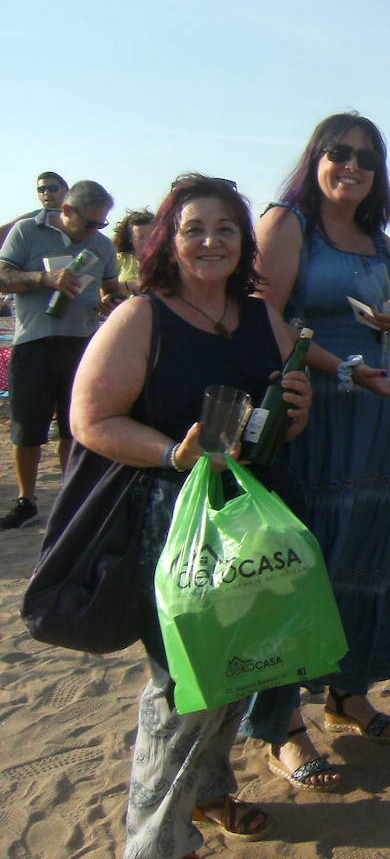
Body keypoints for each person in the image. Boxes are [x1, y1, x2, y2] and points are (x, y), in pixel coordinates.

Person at [68, 174, 313, 859]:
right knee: (182, 683)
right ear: (167, 242)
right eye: (193, 228)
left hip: (251, 515)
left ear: (243, 242)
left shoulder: (258, 314)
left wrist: (300, 409)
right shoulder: (144, 315)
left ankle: (209, 790)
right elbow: (90, 420)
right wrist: (172, 455)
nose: (210, 241)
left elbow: (279, 427)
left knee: (237, 668)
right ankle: (153, 843)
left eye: (225, 229)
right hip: (176, 522)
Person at [242, 113, 390, 790]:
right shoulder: (287, 221)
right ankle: (283, 725)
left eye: (366, 157)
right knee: (305, 560)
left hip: (376, 416)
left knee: (362, 550)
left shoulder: (384, 247)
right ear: (316, 158)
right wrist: (342, 367)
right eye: (339, 152)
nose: (351, 165)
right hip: (314, 414)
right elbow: (264, 315)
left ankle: (346, 692)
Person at [0, 179, 122, 530]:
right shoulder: (26, 231)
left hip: (81, 345)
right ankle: (27, 501)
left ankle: (71, 494)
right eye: (90, 223)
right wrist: (44, 278)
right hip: (33, 342)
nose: (96, 231)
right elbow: (3, 275)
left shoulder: (100, 246)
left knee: (74, 426)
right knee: (27, 429)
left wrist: (109, 302)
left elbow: (112, 288)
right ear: (66, 211)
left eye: (102, 224)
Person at [0, 171, 68, 244]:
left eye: (53, 188)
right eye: (42, 189)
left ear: (66, 191)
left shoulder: (78, 215)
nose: (46, 193)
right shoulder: (32, 218)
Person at [113, 208, 156, 294]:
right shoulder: (118, 259)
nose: (147, 241)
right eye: (140, 237)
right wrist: (127, 285)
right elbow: (101, 285)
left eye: (152, 236)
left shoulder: (169, 260)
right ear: (130, 239)